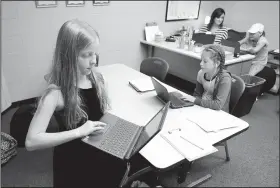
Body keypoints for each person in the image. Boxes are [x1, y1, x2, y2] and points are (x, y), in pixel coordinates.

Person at [25, 19, 127, 188]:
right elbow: (31, 141)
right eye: (87, 55)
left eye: (95, 54)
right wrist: (79, 131)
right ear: (68, 56)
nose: (94, 60)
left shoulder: (96, 78)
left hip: (99, 149)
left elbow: (100, 110)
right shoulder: (56, 93)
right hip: (74, 162)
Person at [181, 44, 232, 112]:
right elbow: (197, 94)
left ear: (217, 63)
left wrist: (195, 100)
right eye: (201, 60)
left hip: (219, 113)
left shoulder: (225, 79)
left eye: (205, 61)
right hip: (203, 107)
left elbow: (218, 105)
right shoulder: (201, 73)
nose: (201, 63)